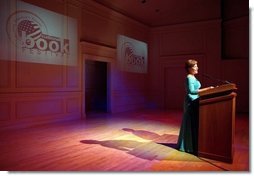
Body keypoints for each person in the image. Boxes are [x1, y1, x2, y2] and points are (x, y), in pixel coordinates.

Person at [176, 59, 213, 155]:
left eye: (197, 65)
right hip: (191, 102)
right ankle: (187, 146)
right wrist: (207, 89)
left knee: (192, 123)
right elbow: (191, 91)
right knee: (190, 123)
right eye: (195, 66)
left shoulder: (192, 77)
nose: (197, 67)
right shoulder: (189, 78)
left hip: (195, 101)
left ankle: (191, 145)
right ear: (189, 68)